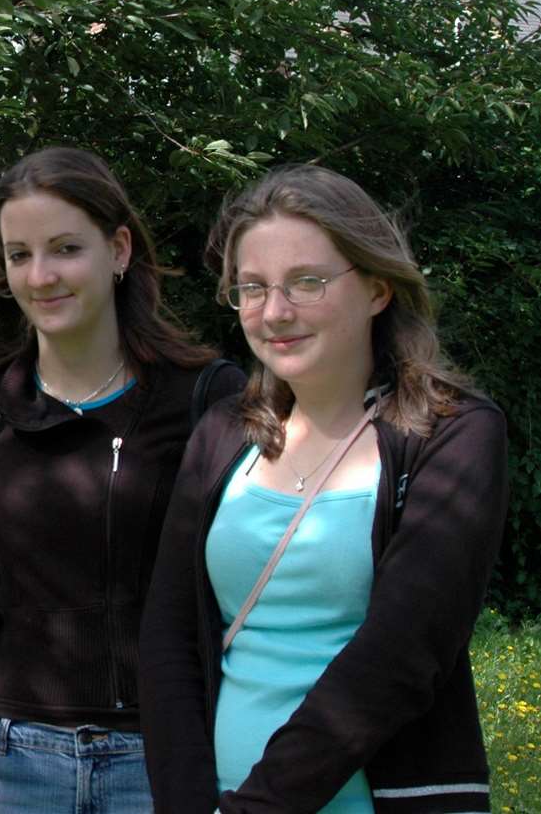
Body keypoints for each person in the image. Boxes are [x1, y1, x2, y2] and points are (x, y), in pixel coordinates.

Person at [140, 164, 509, 813]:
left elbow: (401, 655)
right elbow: (169, 636)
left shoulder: (453, 436)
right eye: (251, 288)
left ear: (375, 287)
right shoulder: (224, 434)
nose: (274, 312)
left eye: (306, 282)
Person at [0, 147, 243, 813]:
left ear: (118, 250)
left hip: (162, 757)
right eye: (18, 255)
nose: (40, 274)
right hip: (7, 761)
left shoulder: (206, 399)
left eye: (64, 248)